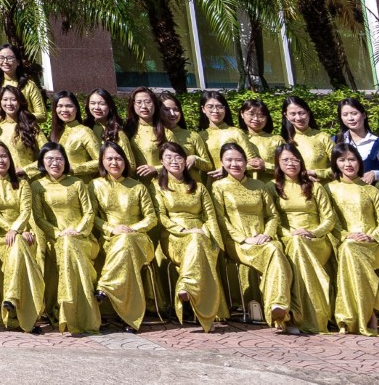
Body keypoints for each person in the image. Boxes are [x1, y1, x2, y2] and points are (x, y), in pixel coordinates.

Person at [212, 143, 292, 329]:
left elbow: (272, 215)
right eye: (229, 160)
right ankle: (276, 305)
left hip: (263, 239)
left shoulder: (259, 185)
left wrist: (267, 234)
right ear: (221, 163)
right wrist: (244, 239)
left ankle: (276, 305)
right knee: (274, 252)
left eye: (239, 160)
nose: (234, 164)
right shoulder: (219, 187)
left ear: (246, 162)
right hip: (237, 242)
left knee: (275, 248)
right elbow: (220, 219)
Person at [153, 142, 224, 332]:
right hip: (173, 236)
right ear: (161, 162)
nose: (174, 161)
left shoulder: (199, 187)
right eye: (169, 157)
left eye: (178, 157)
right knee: (196, 241)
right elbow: (161, 217)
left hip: (201, 233)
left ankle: (187, 288)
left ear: (185, 161)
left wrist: (211, 237)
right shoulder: (157, 187)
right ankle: (200, 306)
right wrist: (183, 230)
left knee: (200, 242)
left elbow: (210, 216)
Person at [33, 143, 100, 335]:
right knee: (65, 244)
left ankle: (72, 311)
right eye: (50, 159)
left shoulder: (77, 183)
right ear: (42, 162)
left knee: (69, 244)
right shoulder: (37, 186)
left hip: (82, 238)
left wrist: (77, 231)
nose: (55, 163)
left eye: (59, 159)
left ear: (65, 161)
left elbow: (89, 212)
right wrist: (57, 233)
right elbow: (39, 218)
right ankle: (66, 311)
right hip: (55, 239)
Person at [92, 142, 155, 332]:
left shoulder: (138, 187)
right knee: (125, 249)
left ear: (125, 162)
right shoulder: (95, 185)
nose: (114, 163)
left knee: (127, 242)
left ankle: (106, 285)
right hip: (110, 240)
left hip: (139, 239)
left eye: (118, 158)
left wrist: (131, 229)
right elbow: (92, 216)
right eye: (109, 158)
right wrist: (112, 229)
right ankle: (130, 317)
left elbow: (151, 218)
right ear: (102, 161)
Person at [274, 143, 336, 334]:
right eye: (285, 160)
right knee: (296, 244)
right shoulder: (272, 187)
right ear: (277, 163)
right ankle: (299, 315)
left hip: (316, 240)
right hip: (288, 238)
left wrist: (313, 232)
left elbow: (329, 218)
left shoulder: (314, 186)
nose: (290, 164)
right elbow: (273, 218)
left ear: (301, 162)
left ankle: (301, 317)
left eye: (295, 160)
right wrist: (290, 234)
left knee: (299, 244)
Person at [0, 141, 44, 333]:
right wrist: (13, 230)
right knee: (19, 242)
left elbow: (25, 210)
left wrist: (17, 230)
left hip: (21, 232)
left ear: (10, 158)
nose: (0, 160)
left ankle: (11, 299)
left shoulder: (22, 183)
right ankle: (21, 310)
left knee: (19, 242)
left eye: (4, 156)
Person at [328, 144, 379, 335]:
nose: (348, 164)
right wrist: (347, 235)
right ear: (335, 164)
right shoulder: (329, 189)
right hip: (345, 243)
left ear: (359, 162)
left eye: (352, 159)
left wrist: (372, 237)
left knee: (351, 250)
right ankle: (368, 312)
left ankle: (354, 316)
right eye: (342, 160)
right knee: (350, 248)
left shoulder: (371, 190)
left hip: (375, 247)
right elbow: (332, 223)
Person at [49, 91, 101, 178]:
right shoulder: (56, 132)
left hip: (80, 183)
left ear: (76, 108)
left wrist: (72, 168)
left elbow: (100, 161)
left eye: (69, 106)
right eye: (60, 106)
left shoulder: (85, 132)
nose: (64, 110)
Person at [335, 98, 379, 183]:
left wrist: (375, 174)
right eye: (345, 115)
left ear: (364, 115)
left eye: (354, 113)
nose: (350, 118)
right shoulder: (335, 141)